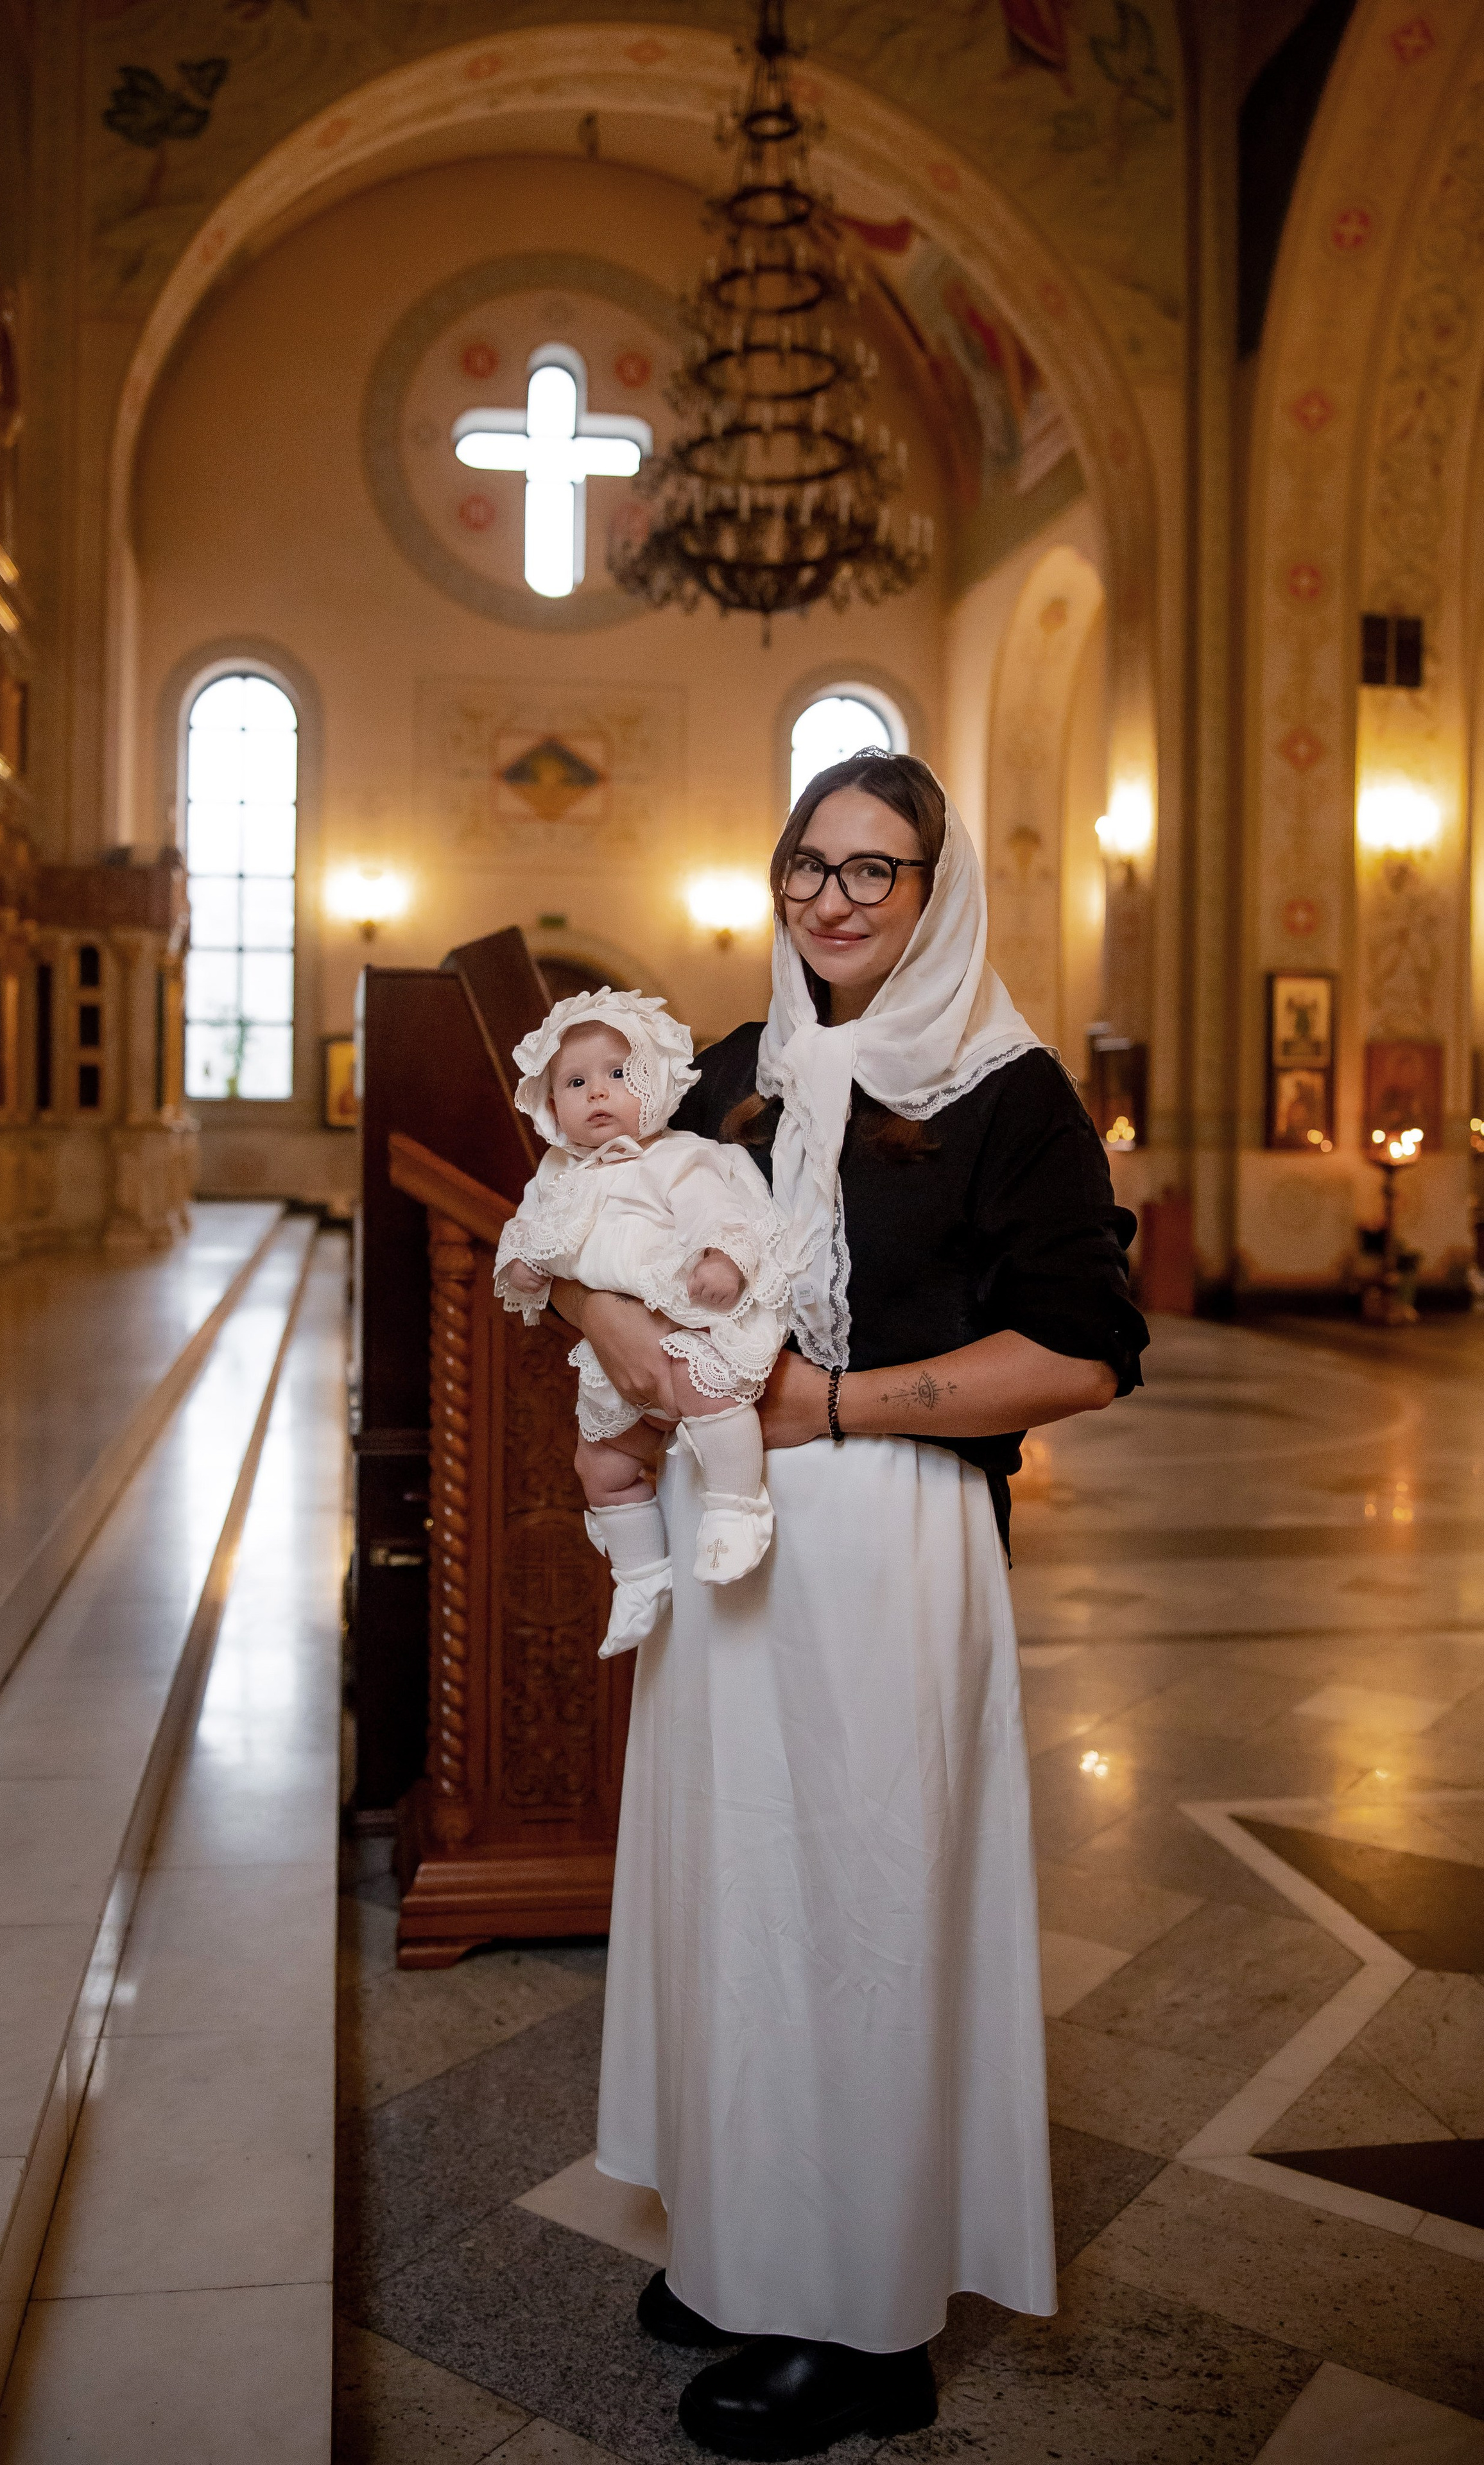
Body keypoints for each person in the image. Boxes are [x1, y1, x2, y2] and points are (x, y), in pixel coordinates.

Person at [549, 752, 1148, 2459]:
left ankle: (864, 2320)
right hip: (731, 1529)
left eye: (874, 870)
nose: (831, 898)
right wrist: (623, 1342)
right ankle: (754, 2236)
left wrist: (830, 1407)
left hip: (888, 1543)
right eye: (809, 863)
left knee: (861, 1917)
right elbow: (603, 1211)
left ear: (938, 891)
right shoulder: (744, 1066)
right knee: (740, 1892)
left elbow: (1086, 1355)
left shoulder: (1011, 1094)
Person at [496, 988, 791, 1656]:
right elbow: (525, 1231)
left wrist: (723, 1259)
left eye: (619, 1075)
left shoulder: (679, 1158)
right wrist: (522, 1266)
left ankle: (736, 1507)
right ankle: (638, 1578)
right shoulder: (556, 1175)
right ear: (550, 1105)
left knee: (702, 1388)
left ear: (656, 1084)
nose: (597, 1093)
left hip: (686, 1317)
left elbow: (727, 1215)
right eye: (574, 1082)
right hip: (613, 1352)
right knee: (597, 1462)